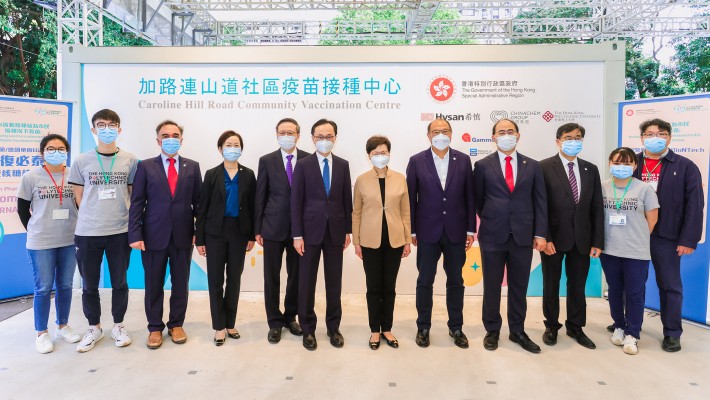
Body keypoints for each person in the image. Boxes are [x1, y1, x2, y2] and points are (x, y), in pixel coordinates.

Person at [473, 118, 547, 354]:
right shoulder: (482, 165)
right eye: (501, 132)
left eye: (510, 131)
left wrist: (540, 233)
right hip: (493, 235)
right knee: (492, 286)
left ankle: (517, 330)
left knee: (518, 286)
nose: (506, 135)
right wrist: (494, 216)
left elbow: (540, 202)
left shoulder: (533, 166)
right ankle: (492, 330)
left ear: (518, 135)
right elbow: (478, 201)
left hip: (523, 236)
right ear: (493, 137)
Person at [69, 109, 138, 353]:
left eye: (111, 125)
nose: (106, 128)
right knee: (89, 284)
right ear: (93, 129)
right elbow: (78, 196)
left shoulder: (131, 159)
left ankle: (118, 326)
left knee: (120, 282)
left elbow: (132, 194)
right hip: (88, 232)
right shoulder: (81, 160)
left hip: (120, 231)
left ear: (119, 129)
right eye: (101, 124)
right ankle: (94, 328)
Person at [128, 120, 202, 349]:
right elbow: (137, 202)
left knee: (181, 282)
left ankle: (176, 324)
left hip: (183, 234)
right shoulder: (145, 166)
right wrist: (134, 234)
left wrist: (199, 233)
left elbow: (199, 204)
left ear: (181, 139)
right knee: (153, 283)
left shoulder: (192, 166)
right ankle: (155, 327)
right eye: (165, 135)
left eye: (175, 135)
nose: (171, 139)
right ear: (158, 140)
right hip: (152, 235)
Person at [634, 118, 703, 352]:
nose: (655, 137)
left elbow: (695, 205)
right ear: (642, 137)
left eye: (661, 133)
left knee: (670, 285)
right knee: (632, 282)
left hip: (668, 236)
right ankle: (630, 324)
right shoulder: (630, 162)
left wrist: (688, 239)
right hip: (633, 235)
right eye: (650, 133)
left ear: (670, 138)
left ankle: (672, 332)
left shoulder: (685, 166)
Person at [406, 118, 475, 349]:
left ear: (451, 134)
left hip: (456, 231)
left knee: (456, 281)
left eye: (445, 130)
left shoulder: (463, 160)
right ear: (428, 135)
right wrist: (413, 230)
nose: (441, 134)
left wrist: (470, 229)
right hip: (427, 231)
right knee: (425, 280)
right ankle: (423, 326)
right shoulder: (417, 161)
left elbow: (470, 197)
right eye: (436, 131)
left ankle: (456, 326)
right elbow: (411, 199)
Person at [539, 123, 604, 349]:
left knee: (577, 286)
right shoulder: (544, 167)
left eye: (578, 137)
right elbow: (540, 207)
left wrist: (597, 240)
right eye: (568, 137)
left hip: (582, 240)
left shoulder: (590, 169)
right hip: (553, 240)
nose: (573, 141)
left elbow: (597, 208)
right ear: (558, 141)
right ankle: (551, 326)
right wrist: (545, 237)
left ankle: (576, 327)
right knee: (551, 285)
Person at [291, 119, 352, 351]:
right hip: (308, 233)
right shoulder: (303, 165)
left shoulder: (343, 165)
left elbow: (346, 200)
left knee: (334, 283)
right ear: (312, 138)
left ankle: (333, 327)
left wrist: (348, 230)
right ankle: (307, 328)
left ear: (335, 138)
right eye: (320, 136)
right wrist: (297, 235)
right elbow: (296, 202)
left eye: (329, 136)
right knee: (306, 283)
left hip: (336, 232)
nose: (324, 140)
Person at [17, 134, 81, 353]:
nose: (56, 152)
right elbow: (22, 209)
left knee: (65, 285)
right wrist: (37, 229)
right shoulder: (31, 177)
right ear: (42, 152)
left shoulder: (74, 174)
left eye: (61, 148)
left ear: (67, 151)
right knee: (43, 287)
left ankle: (62, 325)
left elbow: (81, 205)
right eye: (51, 148)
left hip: (69, 239)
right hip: (41, 242)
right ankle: (41, 332)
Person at [195, 131, 256, 346]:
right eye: (228, 144)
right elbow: (202, 209)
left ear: (241, 148)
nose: (232, 148)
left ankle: (230, 323)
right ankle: (219, 326)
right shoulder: (212, 174)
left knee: (234, 279)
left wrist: (252, 236)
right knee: (215, 281)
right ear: (220, 149)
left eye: (236, 144)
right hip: (214, 233)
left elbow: (253, 207)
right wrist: (199, 239)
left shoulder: (248, 174)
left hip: (239, 233)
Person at [352, 136, 412, 350]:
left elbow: (406, 211)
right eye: (376, 153)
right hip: (369, 241)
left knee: (390, 287)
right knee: (373, 287)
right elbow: (356, 212)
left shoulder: (400, 178)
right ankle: (374, 331)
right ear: (369, 156)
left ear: (389, 153)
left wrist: (407, 240)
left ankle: (387, 327)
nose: (380, 156)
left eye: (383, 152)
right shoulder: (361, 180)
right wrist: (356, 242)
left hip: (395, 240)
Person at [601, 147, 659, 355]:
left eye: (627, 163)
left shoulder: (644, 189)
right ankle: (618, 326)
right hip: (609, 250)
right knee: (614, 291)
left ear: (635, 166)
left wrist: (636, 238)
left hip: (636, 251)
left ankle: (632, 333)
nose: (622, 167)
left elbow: (652, 220)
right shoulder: (603, 187)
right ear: (610, 163)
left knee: (635, 293)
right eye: (617, 162)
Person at [255, 118, 308, 344]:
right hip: (272, 227)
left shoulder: (308, 159)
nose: (286, 135)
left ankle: (290, 317)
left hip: (300, 230)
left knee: (296, 276)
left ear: (298, 135)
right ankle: (274, 322)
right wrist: (257, 229)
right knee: (272, 277)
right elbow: (261, 196)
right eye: (282, 132)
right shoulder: (266, 160)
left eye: (290, 132)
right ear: (276, 134)